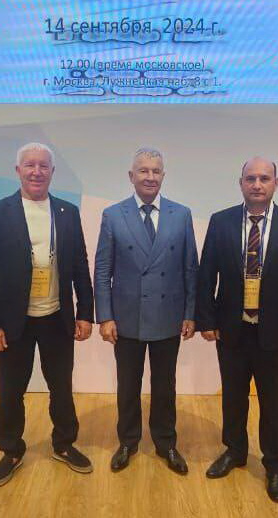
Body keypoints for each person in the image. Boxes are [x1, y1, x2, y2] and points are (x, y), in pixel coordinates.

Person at [196, 157, 278, 503]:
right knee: (233, 398)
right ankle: (234, 451)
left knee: (274, 402)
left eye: (264, 178)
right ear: (241, 183)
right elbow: (207, 275)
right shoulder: (221, 222)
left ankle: (275, 464)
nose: (257, 184)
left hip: (277, 335)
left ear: (276, 183)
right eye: (251, 178)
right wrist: (207, 321)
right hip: (232, 331)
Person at [0, 142, 94, 487]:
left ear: (52, 172)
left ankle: (64, 444)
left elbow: (80, 266)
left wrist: (85, 313)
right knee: (11, 391)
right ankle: (11, 450)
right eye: (30, 165)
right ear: (18, 170)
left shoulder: (68, 212)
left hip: (57, 318)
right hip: (14, 323)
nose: (37, 172)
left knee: (61, 388)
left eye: (43, 166)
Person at [94, 148, 199, 475]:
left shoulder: (181, 214)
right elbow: (102, 270)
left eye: (156, 171)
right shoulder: (113, 215)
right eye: (143, 170)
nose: (150, 177)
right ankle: (128, 441)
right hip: (127, 316)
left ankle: (166, 443)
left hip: (169, 314)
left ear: (163, 176)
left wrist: (190, 312)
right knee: (128, 385)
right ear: (132, 176)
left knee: (165, 385)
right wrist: (105, 316)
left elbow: (190, 268)